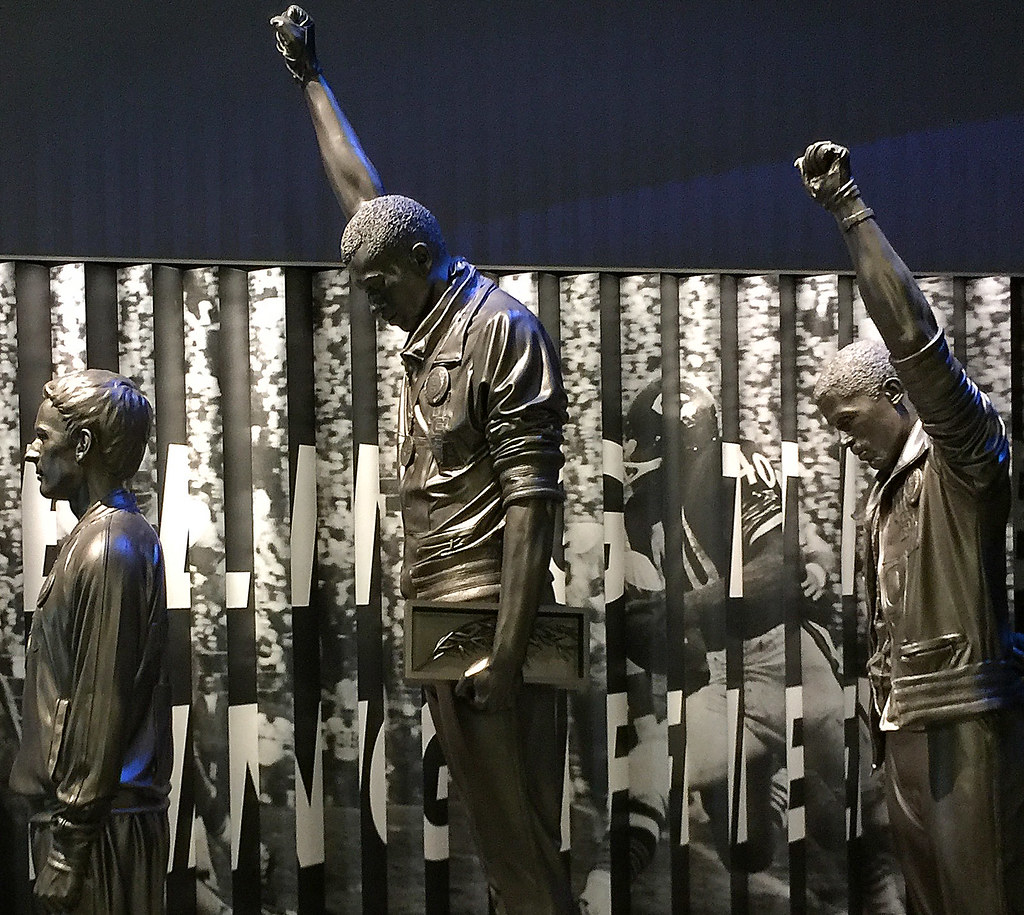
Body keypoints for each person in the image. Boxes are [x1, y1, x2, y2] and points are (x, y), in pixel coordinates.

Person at [270, 8, 574, 913]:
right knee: (497, 837)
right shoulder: (432, 313)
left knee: (522, 845)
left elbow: (533, 500)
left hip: (492, 617)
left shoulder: (500, 329)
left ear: (420, 261)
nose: (370, 308)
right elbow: (361, 196)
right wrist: (310, 79)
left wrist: (510, 650)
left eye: (377, 288)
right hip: (446, 610)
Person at [798, 140, 1024, 914]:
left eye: (849, 419)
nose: (842, 437)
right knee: (930, 901)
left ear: (900, 397)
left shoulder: (965, 459)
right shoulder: (888, 487)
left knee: (980, 897)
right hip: (904, 722)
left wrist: (849, 211)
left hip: (962, 718)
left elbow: (918, 344)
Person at [9, 370, 171, 914]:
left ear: (82, 446)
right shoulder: (100, 538)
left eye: (43, 437)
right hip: (93, 824)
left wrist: (67, 851)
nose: (31, 453)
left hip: (99, 834)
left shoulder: (109, 547)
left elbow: (101, 706)